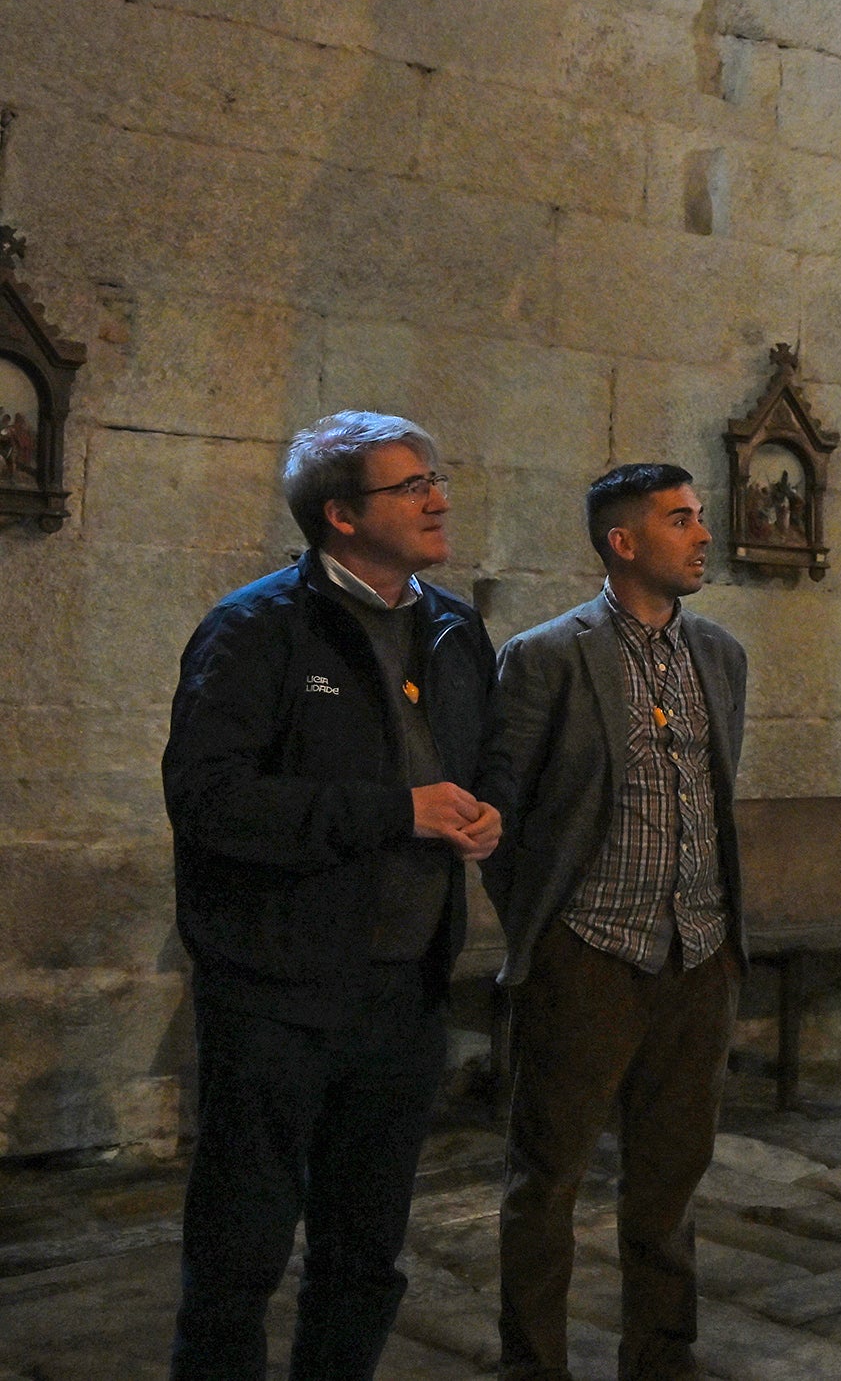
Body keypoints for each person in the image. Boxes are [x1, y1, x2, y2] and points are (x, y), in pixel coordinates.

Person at [162, 411, 501, 1380]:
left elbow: (472, 767)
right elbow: (210, 800)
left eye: (436, 476)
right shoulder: (257, 627)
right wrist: (393, 811)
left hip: (404, 986)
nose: (439, 497)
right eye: (412, 485)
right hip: (278, 986)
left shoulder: (451, 625)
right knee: (242, 1246)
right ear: (342, 515)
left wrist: (487, 815)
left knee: (365, 1250)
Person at [481, 464, 749, 1381]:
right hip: (590, 951)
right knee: (547, 1179)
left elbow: (714, 791)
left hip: (699, 952)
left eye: (702, 516)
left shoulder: (719, 654)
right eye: (681, 519)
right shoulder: (550, 654)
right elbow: (502, 814)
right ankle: (534, 1365)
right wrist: (548, 932)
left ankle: (661, 1359)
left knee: (668, 1187)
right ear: (623, 541)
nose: (702, 534)